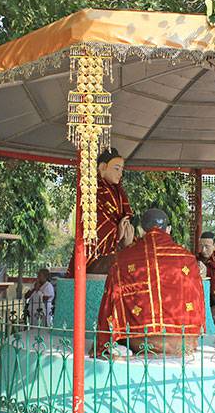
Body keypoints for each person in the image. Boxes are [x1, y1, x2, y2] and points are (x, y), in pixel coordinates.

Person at [95, 209, 206, 357]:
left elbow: (109, 303)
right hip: (185, 343)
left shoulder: (123, 260)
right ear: (169, 229)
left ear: (141, 230)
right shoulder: (187, 258)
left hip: (142, 341)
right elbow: (199, 302)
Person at [66, 148, 134, 276]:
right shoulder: (94, 191)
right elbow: (98, 224)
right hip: (97, 252)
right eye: (116, 169)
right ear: (102, 168)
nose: (120, 174)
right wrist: (117, 234)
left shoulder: (118, 192)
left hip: (118, 245)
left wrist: (127, 234)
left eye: (122, 170)